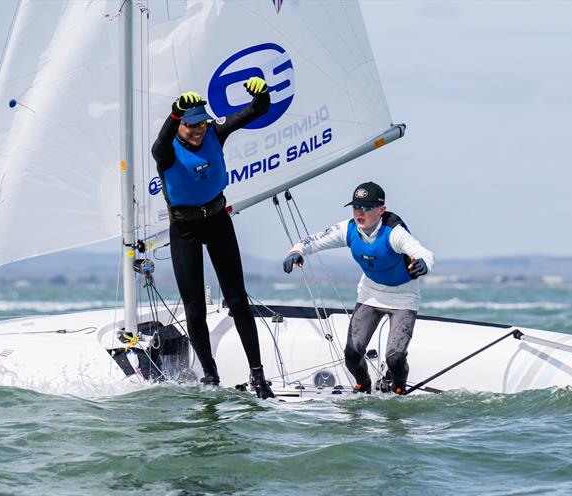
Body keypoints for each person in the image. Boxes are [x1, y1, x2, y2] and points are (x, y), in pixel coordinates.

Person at [151, 77, 274, 399]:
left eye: (202, 124)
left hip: (218, 221)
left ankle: (258, 375)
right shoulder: (167, 152)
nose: (198, 130)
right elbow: (157, 144)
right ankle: (209, 374)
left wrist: (262, 95)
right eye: (191, 125)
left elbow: (257, 110)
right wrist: (175, 112)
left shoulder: (215, 134)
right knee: (194, 308)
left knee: (238, 300)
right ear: (180, 124)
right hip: (185, 230)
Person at [282, 182, 434, 395]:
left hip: (403, 296)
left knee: (395, 358)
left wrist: (423, 263)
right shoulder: (348, 228)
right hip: (370, 293)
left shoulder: (394, 233)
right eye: (355, 208)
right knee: (352, 355)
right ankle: (364, 385)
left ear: (381, 210)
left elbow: (423, 252)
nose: (359, 213)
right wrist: (295, 252)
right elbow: (313, 241)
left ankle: (399, 388)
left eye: (366, 208)